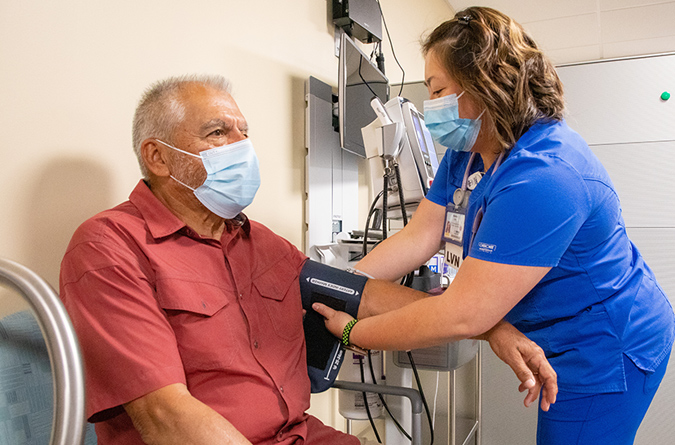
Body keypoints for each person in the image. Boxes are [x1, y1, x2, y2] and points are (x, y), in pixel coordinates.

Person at [59, 74, 554, 445]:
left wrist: (489, 328)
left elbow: (362, 296)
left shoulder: (261, 244)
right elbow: (166, 416)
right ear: (158, 157)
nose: (242, 147)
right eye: (217, 133)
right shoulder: (110, 248)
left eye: (243, 132)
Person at [313, 7, 675, 445]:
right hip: (554, 329)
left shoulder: (546, 176)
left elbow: (463, 313)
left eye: (438, 90)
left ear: (483, 85)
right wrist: (341, 286)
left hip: (606, 345)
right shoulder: (469, 147)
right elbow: (421, 235)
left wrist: (355, 331)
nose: (433, 107)